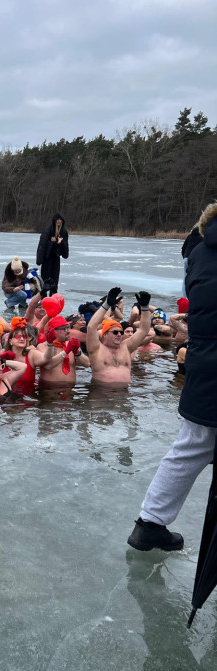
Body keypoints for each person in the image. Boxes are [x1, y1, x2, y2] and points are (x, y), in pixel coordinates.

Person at [128, 201, 217, 551]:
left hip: (202, 358)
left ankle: (150, 521)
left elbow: (191, 298)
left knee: (192, 444)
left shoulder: (196, 254)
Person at [86, 287, 151, 386]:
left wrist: (145, 308)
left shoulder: (126, 347)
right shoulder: (96, 349)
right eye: (115, 332)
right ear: (105, 335)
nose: (119, 334)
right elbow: (91, 327)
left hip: (123, 395)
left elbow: (143, 330)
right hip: (101, 393)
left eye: (121, 332)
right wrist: (106, 304)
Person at [39, 316, 90, 387]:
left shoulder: (71, 344)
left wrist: (77, 352)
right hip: (50, 389)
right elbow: (48, 365)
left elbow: (87, 364)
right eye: (64, 329)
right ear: (54, 331)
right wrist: (66, 351)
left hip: (70, 389)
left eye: (68, 327)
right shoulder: (42, 347)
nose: (68, 331)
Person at [36, 213, 69, 290]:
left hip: (56, 258)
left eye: (60, 220)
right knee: (44, 279)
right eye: (57, 220)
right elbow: (42, 246)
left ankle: (53, 298)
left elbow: (65, 247)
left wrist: (60, 242)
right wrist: (39, 260)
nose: (59, 222)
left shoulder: (63, 232)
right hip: (47, 258)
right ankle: (43, 297)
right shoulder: (48, 231)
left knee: (55, 280)